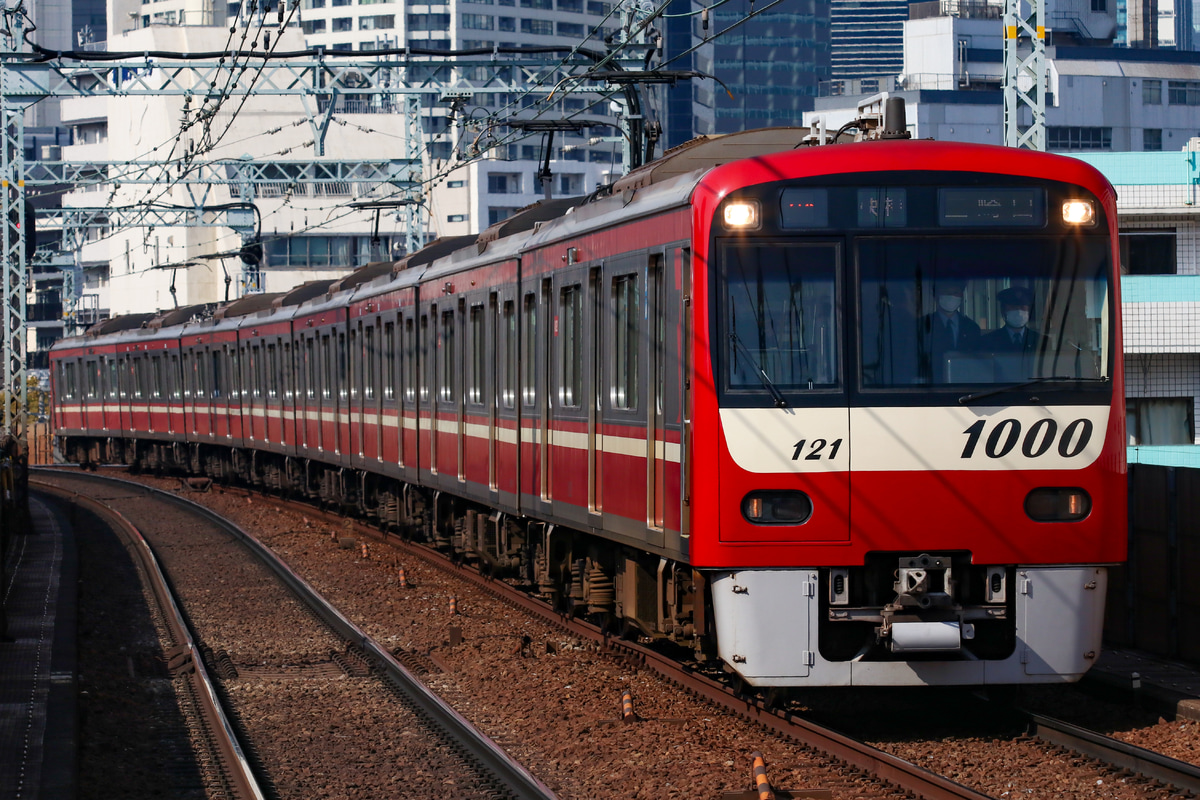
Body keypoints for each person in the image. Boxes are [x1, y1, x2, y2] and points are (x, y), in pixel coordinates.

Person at [918, 277, 981, 382]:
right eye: (946, 292)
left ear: (961, 295)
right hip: (932, 385)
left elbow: (978, 361)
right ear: (936, 295)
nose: (951, 296)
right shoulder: (923, 325)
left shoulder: (972, 327)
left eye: (956, 292)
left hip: (965, 386)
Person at [982, 286, 1043, 354]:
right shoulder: (988, 341)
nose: (1018, 312)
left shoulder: (1041, 341)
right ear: (1003, 311)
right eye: (1013, 307)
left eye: (1022, 307)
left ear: (1029, 311)